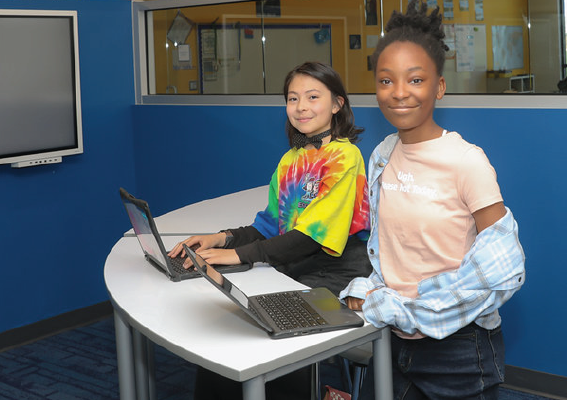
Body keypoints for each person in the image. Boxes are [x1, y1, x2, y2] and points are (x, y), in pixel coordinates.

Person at [339, 1, 526, 399]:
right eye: (386, 81)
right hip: (392, 340)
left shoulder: (466, 161)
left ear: (439, 86)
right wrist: (373, 291)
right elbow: (392, 253)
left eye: (416, 80)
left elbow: (504, 267)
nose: (399, 93)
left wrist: (412, 310)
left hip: (459, 350)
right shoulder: (382, 156)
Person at [168, 61, 372, 400]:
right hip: (295, 262)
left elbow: (310, 236)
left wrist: (235, 255)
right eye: (293, 98)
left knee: (265, 333)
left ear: (337, 104)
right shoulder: (291, 159)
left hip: (336, 270)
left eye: (312, 97)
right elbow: (270, 226)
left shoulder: (345, 158)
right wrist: (221, 238)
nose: (301, 107)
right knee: (229, 331)